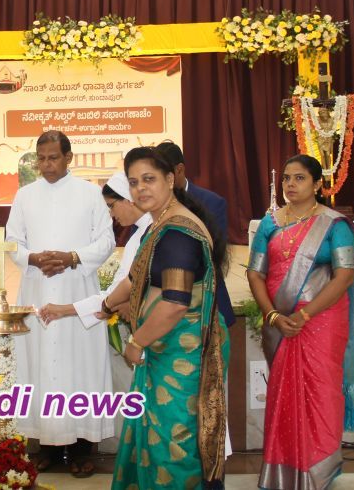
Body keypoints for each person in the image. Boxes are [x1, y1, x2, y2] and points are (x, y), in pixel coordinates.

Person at [103, 147, 229, 489]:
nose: (140, 188)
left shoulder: (178, 234)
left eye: (149, 179)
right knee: (154, 440)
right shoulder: (160, 224)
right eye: (133, 182)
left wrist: (136, 342)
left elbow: (174, 303)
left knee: (175, 445)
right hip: (165, 350)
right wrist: (107, 304)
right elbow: (136, 277)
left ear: (170, 179)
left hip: (182, 354)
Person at [247, 154, 354, 490]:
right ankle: (283, 470)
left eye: (299, 178)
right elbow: (255, 273)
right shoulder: (269, 223)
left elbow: (344, 276)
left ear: (317, 184)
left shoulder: (334, 225)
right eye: (286, 178)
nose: (290, 184)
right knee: (284, 396)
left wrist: (304, 315)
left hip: (322, 323)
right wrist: (273, 316)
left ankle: (319, 471)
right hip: (280, 323)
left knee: (320, 393)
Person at [6, 130, 115, 477]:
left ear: (69, 157)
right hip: (37, 289)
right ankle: (47, 448)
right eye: (41, 158)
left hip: (76, 290)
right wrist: (33, 258)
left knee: (79, 367)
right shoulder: (25, 195)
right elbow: (12, 241)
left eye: (53, 158)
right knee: (39, 364)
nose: (46, 165)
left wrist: (72, 257)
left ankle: (81, 449)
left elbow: (106, 241)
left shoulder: (90, 193)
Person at [38, 168, 150, 326]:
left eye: (111, 206)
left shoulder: (153, 230)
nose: (111, 214)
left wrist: (65, 309)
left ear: (128, 199)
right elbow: (115, 291)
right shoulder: (136, 237)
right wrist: (63, 310)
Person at [154, 141, 235, 327]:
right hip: (160, 306)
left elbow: (215, 256)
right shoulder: (149, 205)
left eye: (163, 175)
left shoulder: (211, 203)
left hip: (207, 306)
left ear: (179, 169)